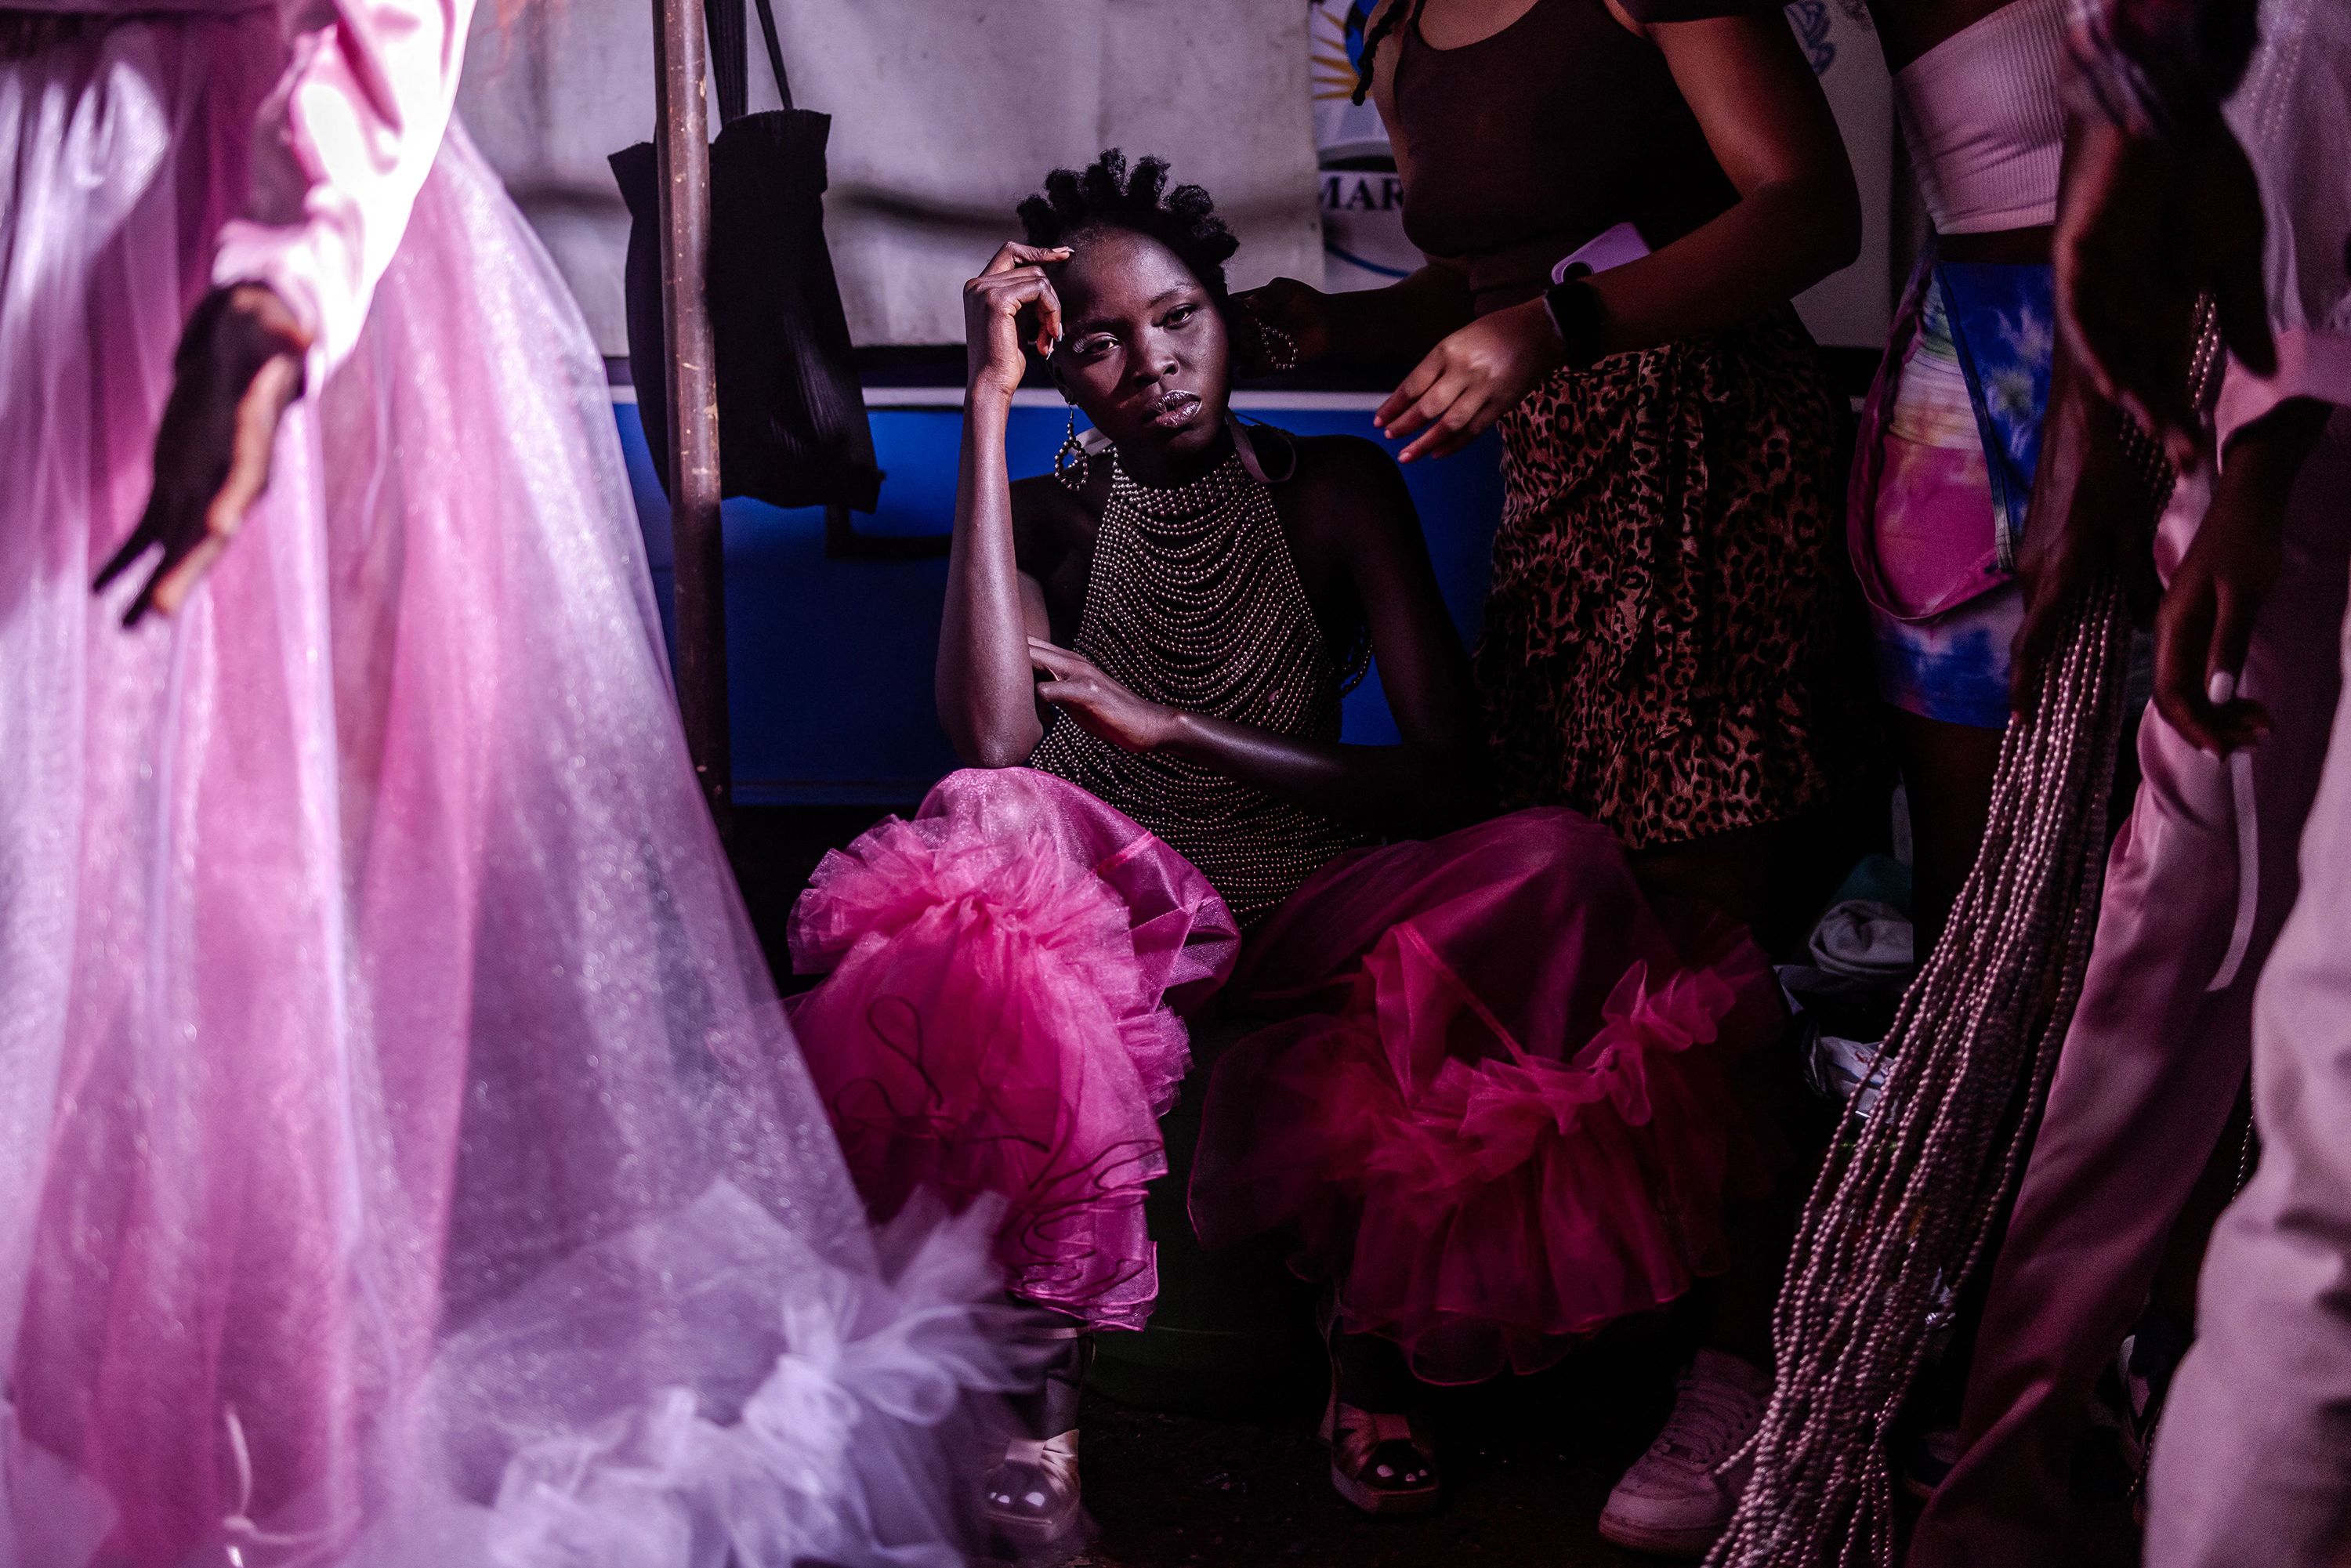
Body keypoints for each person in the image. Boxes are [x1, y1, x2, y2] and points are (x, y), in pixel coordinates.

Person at [0, 1, 1017, 1563]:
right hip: (76, 206)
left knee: (235, 926)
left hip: (214, 208)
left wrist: (279, 288)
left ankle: (242, 1469)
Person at [781, 150, 1787, 1552]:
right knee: (987, 830)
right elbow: (992, 734)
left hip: (1307, 891)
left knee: (1551, 860)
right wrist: (982, 403)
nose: (1158, 363)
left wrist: (1179, 726)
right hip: (1113, 911)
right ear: (1062, 370)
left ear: (1227, 316)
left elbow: (1447, 780)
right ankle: (1046, 1437)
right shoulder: (1054, 507)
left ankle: (1368, 1361)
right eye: (1107, 345)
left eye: (1182, 318)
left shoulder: (1337, 493)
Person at [1236, 0, 1860, 934]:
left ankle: (1717, 1068)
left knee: (1701, 848)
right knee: (1566, 844)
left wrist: (1561, 323)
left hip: (1713, 443)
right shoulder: (1396, 26)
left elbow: (1810, 208)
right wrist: (1340, 325)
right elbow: (1473, 283)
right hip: (1552, 475)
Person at [1848, 0, 2112, 955]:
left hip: (2219, 377)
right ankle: (1966, 1101)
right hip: (1990, 396)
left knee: (2189, 841)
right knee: (1974, 880)